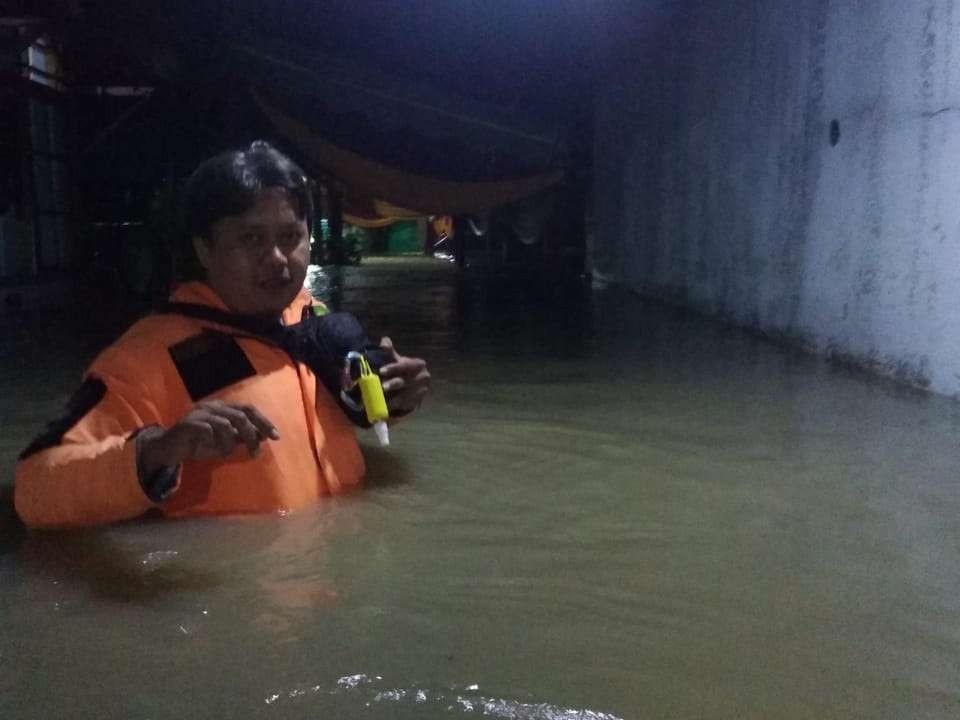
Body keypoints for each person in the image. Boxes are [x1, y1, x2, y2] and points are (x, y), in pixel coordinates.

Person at [14, 141, 430, 529]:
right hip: (245, 591)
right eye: (250, 239)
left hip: (341, 568)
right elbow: (33, 492)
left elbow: (342, 416)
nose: (278, 260)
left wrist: (393, 396)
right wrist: (158, 449)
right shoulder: (146, 358)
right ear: (204, 249)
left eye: (291, 237)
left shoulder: (312, 318)